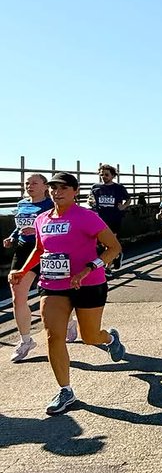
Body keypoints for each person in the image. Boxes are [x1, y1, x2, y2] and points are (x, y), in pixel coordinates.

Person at [8, 172, 125, 414]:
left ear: (75, 191)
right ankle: (66, 391)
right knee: (53, 336)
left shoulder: (87, 217)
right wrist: (23, 270)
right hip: (52, 285)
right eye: (53, 188)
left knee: (90, 336)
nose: (56, 192)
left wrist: (89, 268)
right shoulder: (42, 219)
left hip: (89, 284)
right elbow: (41, 250)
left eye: (62, 188)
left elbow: (114, 247)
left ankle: (110, 338)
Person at [4, 173, 54, 362]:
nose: (29, 186)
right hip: (25, 250)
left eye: (34, 183)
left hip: (47, 250)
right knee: (17, 295)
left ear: (45, 186)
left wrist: (36, 230)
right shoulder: (21, 204)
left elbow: (57, 223)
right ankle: (26, 340)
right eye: (27, 183)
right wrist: (13, 237)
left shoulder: (50, 205)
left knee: (51, 296)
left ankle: (69, 323)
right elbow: (20, 226)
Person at [89, 165, 130, 271]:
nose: (104, 176)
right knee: (101, 243)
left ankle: (108, 268)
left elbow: (128, 199)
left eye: (106, 174)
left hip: (114, 218)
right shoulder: (96, 187)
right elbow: (91, 199)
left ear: (113, 175)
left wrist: (123, 206)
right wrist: (90, 202)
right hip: (99, 219)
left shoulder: (118, 188)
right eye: (101, 174)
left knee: (110, 243)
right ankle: (117, 254)